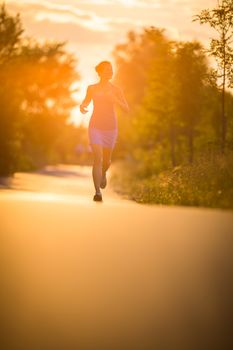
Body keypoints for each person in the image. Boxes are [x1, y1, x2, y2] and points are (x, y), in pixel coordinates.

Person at [79, 60, 129, 202]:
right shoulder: (92, 88)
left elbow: (127, 109)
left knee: (106, 161)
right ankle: (97, 192)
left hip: (111, 129)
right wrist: (82, 106)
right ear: (100, 72)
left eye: (111, 69)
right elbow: (86, 101)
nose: (110, 71)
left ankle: (103, 173)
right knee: (98, 158)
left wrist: (116, 101)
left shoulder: (116, 90)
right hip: (95, 127)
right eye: (107, 69)